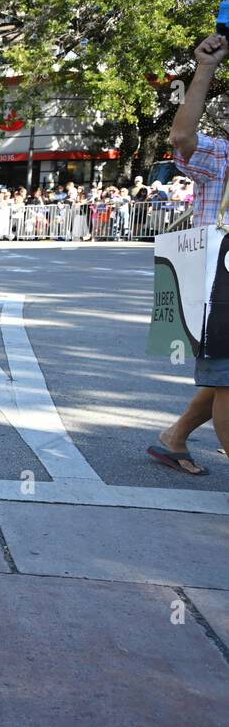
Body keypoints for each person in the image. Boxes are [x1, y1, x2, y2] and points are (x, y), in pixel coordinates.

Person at [148, 32, 229, 476]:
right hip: (221, 290)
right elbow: (182, 136)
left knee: (225, 380)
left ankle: (174, 437)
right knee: (228, 381)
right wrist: (206, 68)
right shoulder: (224, 158)